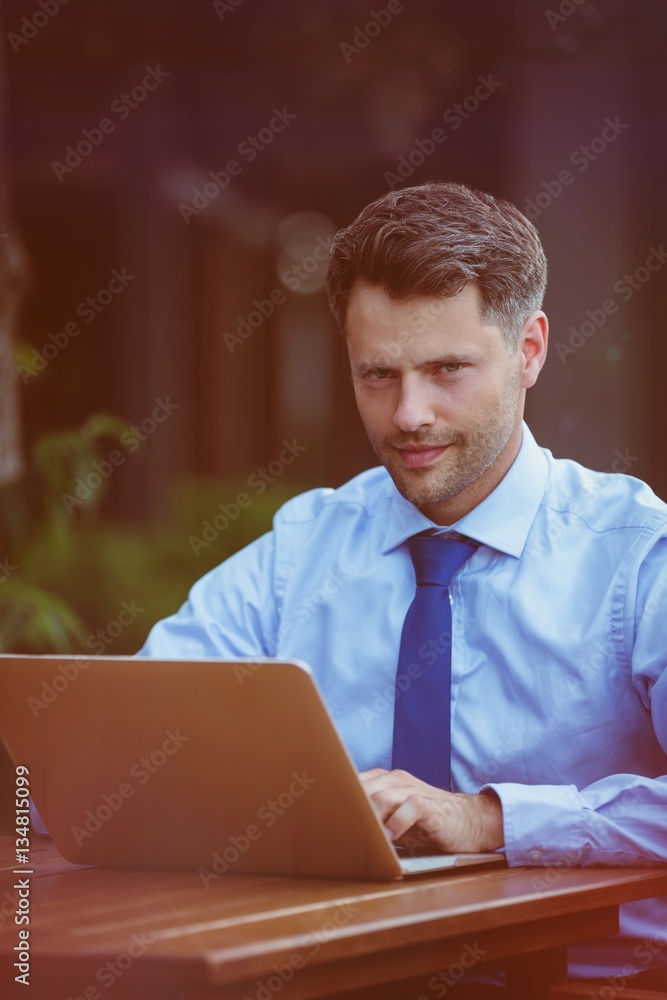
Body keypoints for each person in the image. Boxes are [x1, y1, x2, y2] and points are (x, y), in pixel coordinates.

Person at [139, 181, 667, 997]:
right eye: (376, 374)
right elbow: (127, 744)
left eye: (446, 369)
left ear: (528, 349)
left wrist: (488, 821)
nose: (407, 414)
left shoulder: (638, 559)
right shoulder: (301, 551)